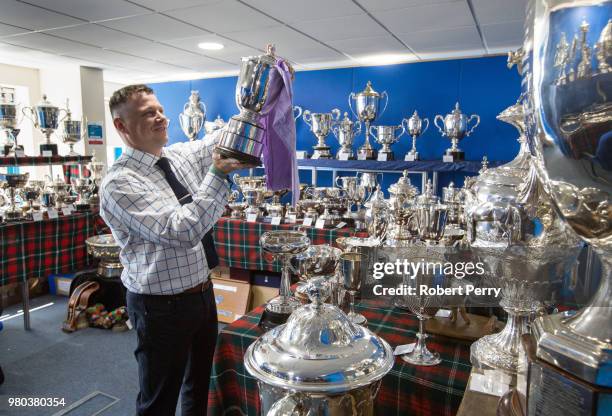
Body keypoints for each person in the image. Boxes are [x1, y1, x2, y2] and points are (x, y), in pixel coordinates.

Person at [99, 84, 253, 416]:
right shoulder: (120, 183)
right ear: (121, 126)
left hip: (201, 293)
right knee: (159, 400)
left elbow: (219, 139)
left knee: (199, 388)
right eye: (146, 114)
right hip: (159, 308)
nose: (160, 117)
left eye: (158, 109)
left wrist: (254, 105)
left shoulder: (178, 156)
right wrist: (217, 174)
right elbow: (182, 231)